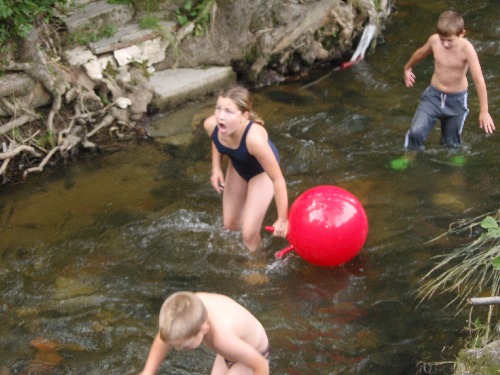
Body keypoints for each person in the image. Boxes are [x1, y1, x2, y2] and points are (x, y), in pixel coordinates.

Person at [203, 85, 289, 252]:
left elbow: (277, 179)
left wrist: (282, 219)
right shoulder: (211, 125)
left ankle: (257, 267)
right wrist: (216, 168)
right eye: (218, 108)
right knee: (230, 225)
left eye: (229, 111)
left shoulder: (254, 140)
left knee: (248, 234)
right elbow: (216, 139)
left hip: (261, 173)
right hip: (238, 164)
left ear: (244, 116)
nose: (221, 116)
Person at [403, 10, 495, 150]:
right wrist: (407, 68)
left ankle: (454, 162)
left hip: (456, 101)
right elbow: (421, 53)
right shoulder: (434, 40)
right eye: (442, 39)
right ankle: (409, 156)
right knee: (416, 131)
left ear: (462, 34)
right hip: (433, 97)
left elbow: (478, 79)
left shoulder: (467, 49)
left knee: (451, 143)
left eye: (449, 40)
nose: (445, 44)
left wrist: (484, 111)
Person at [139, 291, 270, 375]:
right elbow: (162, 339)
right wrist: (147, 372)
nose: (178, 350)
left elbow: (261, 365)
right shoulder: (191, 307)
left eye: (184, 346)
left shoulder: (222, 339)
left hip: (254, 352)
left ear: (203, 331)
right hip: (234, 348)